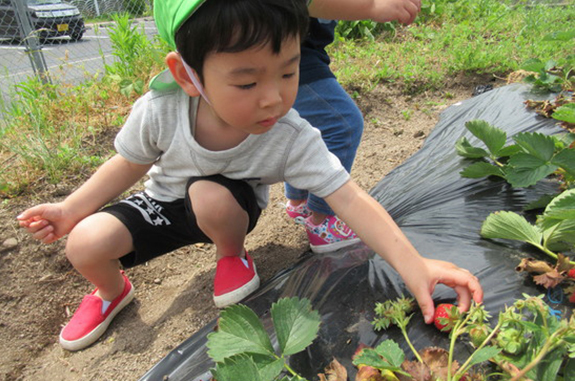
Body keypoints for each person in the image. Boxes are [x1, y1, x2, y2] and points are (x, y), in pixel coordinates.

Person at [17, 0, 482, 352]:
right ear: (187, 74)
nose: (273, 100)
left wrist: (414, 266)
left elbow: (351, 198)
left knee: (209, 195)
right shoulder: (160, 111)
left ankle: (232, 255)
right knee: (84, 244)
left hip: (226, 207)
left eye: (289, 71)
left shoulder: (292, 135)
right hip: (162, 204)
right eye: (246, 82)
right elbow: (129, 164)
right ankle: (110, 292)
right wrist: (70, 209)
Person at [285, 0, 421, 253]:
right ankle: (322, 220)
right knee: (343, 123)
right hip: (286, 54)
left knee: (301, 125)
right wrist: (372, 8)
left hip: (297, 48)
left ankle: (299, 199)